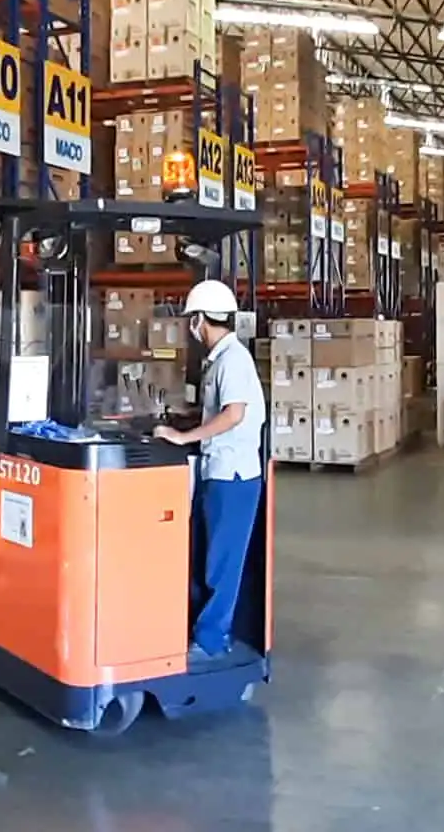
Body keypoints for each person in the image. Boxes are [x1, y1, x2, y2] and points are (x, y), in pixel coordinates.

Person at [153, 279, 266, 661]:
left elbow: (234, 414)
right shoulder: (219, 360)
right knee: (207, 556)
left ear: (200, 320)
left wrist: (185, 439)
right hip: (217, 471)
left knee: (222, 563)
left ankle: (211, 641)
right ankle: (200, 632)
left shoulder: (234, 360)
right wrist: (187, 421)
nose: (191, 326)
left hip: (233, 476)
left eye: (192, 319)